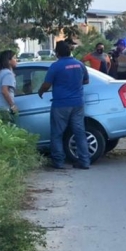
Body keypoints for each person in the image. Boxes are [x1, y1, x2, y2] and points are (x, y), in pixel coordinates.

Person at [37, 40, 90, 170]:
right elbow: (86, 80)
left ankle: (58, 162)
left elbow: (47, 84)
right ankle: (84, 161)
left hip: (61, 104)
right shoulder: (79, 64)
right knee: (79, 132)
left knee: (57, 133)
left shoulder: (56, 66)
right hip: (78, 103)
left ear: (57, 53)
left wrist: (41, 91)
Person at [0, 50, 18, 121]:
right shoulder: (8, 74)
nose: (16, 60)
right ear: (9, 61)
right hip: (3, 109)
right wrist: (12, 106)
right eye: (14, 58)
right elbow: (4, 91)